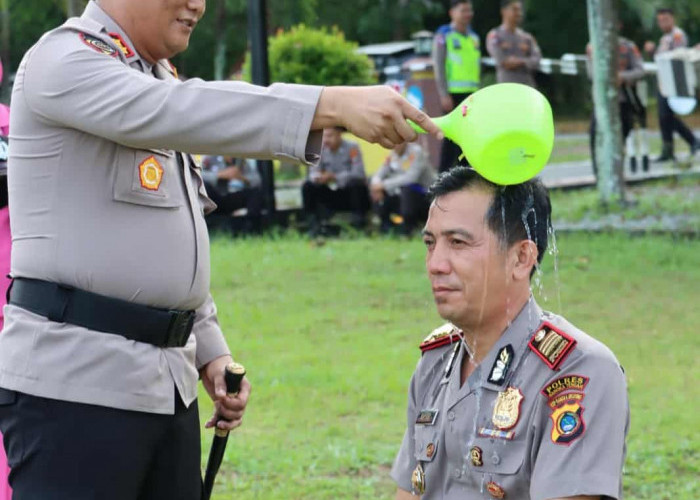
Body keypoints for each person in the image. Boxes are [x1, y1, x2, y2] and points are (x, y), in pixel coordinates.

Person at [0, 0, 441, 498]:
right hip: (74, 391)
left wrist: (210, 350)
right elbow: (182, 109)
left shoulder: (158, 78)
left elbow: (168, 235)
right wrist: (331, 104)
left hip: (166, 388)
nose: (198, 5)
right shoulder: (63, 60)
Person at [392, 167, 629, 499]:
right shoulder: (436, 362)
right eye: (431, 243)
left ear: (521, 257)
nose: (435, 264)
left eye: (458, 243)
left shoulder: (578, 372)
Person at [643, 7, 699, 161]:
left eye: (665, 19)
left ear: (672, 19)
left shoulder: (677, 35)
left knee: (666, 116)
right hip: (663, 81)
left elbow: (676, 56)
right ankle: (670, 149)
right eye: (660, 20)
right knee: (664, 117)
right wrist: (653, 52)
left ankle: (691, 141)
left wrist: (654, 50)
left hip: (673, 83)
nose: (663, 23)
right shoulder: (665, 38)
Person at [587, 33, 646, 177]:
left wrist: (623, 77)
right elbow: (591, 73)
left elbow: (640, 71)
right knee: (595, 136)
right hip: (601, 101)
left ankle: (616, 174)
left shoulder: (628, 47)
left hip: (623, 101)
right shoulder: (592, 45)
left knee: (620, 140)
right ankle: (599, 176)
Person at [432, 0, 481, 173]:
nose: (468, 14)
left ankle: (467, 176)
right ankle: (442, 177)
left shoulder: (474, 38)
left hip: (471, 95)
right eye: (463, 10)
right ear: (452, 12)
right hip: (453, 95)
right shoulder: (444, 35)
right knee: (451, 139)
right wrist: (443, 94)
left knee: (468, 138)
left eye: (470, 10)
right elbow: (438, 65)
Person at [302, 127, 370, 234]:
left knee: (357, 184)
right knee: (308, 186)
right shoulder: (319, 149)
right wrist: (319, 177)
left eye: (329, 136)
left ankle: (359, 224)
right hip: (328, 193)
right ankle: (314, 225)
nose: (326, 140)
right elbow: (312, 173)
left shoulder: (352, 148)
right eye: (324, 136)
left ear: (339, 134)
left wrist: (335, 177)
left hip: (347, 192)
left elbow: (359, 173)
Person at [370, 141, 436, 235]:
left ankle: (408, 229)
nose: (395, 144)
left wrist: (383, 185)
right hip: (402, 196)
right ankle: (386, 227)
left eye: (398, 141)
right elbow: (378, 174)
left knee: (407, 189)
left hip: (424, 194)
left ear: (405, 141)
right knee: (377, 189)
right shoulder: (392, 155)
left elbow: (410, 178)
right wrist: (376, 186)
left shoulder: (416, 152)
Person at [486, 0, 542, 88]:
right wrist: (526, 61)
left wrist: (519, 61)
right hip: (507, 87)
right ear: (503, 11)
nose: (519, 13)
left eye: (520, 10)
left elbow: (536, 60)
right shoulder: (495, 35)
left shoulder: (527, 37)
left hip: (527, 87)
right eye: (515, 9)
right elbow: (502, 61)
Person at [201, 155, 263, 233]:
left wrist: (241, 177)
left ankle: (251, 228)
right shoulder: (210, 158)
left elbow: (257, 180)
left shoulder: (241, 161)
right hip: (215, 198)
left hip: (234, 197)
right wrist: (220, 175)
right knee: (205, 188)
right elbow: (199, 175)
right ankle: (207, 227)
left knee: (255, 193)